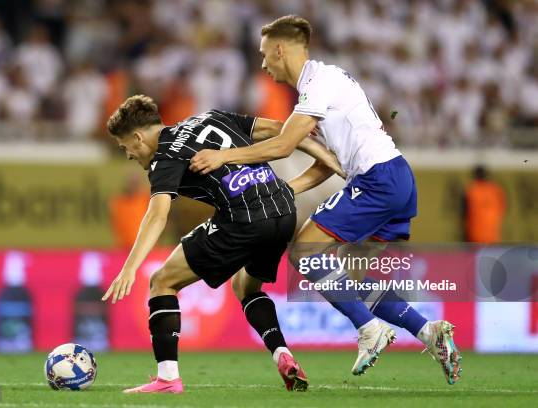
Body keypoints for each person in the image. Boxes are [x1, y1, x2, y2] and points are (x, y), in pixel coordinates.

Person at [189, 15, 461, 384]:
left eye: (265, 54)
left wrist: (223, 157)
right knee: (351, 278)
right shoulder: (323, 86)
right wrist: (289, 190)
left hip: (377, 179)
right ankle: (429, 332)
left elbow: (285, 144)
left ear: (281, 49)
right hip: (393, 178)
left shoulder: (320, 83)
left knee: (303, 252)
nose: (263, 63)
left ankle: (369, 330)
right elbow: (328, 163)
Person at [101, 95, 341, 393]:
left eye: (126, 147)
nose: (129, 155)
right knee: (246, 287)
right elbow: (282, 130)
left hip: (244, 218)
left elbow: (157, 216)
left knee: (162, 281)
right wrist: (326, 156)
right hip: (283, 211)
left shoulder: (165, 157)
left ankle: (167, 379)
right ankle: (283, 354)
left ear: (137, 137)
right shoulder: (210, 117)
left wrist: (129, 268)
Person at [462, 165, 506, 243]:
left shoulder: (471, 190)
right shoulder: (496, 189)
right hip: (492, 235)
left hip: (474, 235)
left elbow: (464, 212)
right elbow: (502, 210)